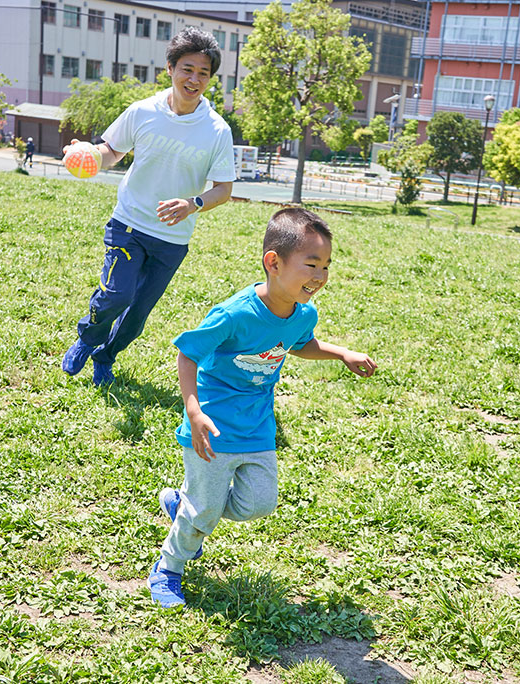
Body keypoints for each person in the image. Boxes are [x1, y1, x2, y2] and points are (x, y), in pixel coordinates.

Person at [148, 208, 378, 607]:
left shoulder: (302, 313)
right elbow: (188, 353)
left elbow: (300, 344)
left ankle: (185, 505)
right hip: (213, 428)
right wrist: (193, 410)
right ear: (273, 262)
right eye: (311, 265)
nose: (320, 276)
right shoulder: (235, 314)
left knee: (259, 503)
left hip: (257, 426)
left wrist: (341, 353)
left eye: (326, 266)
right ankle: (169, 568)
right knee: (203, 514)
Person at [61, 26, 235, 386]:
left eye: (204, 73)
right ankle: (87, 338)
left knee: (137, 317)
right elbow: (111, 151)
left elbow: (223, 190)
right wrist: (88, 154)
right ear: (170, 68)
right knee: (116, 296)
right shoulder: (142, 111)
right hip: (129, 223)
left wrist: (193, 203)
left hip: (172, 240)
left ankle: (105, 357)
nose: (194, 79)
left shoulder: (217, 131)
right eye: (187, 69)